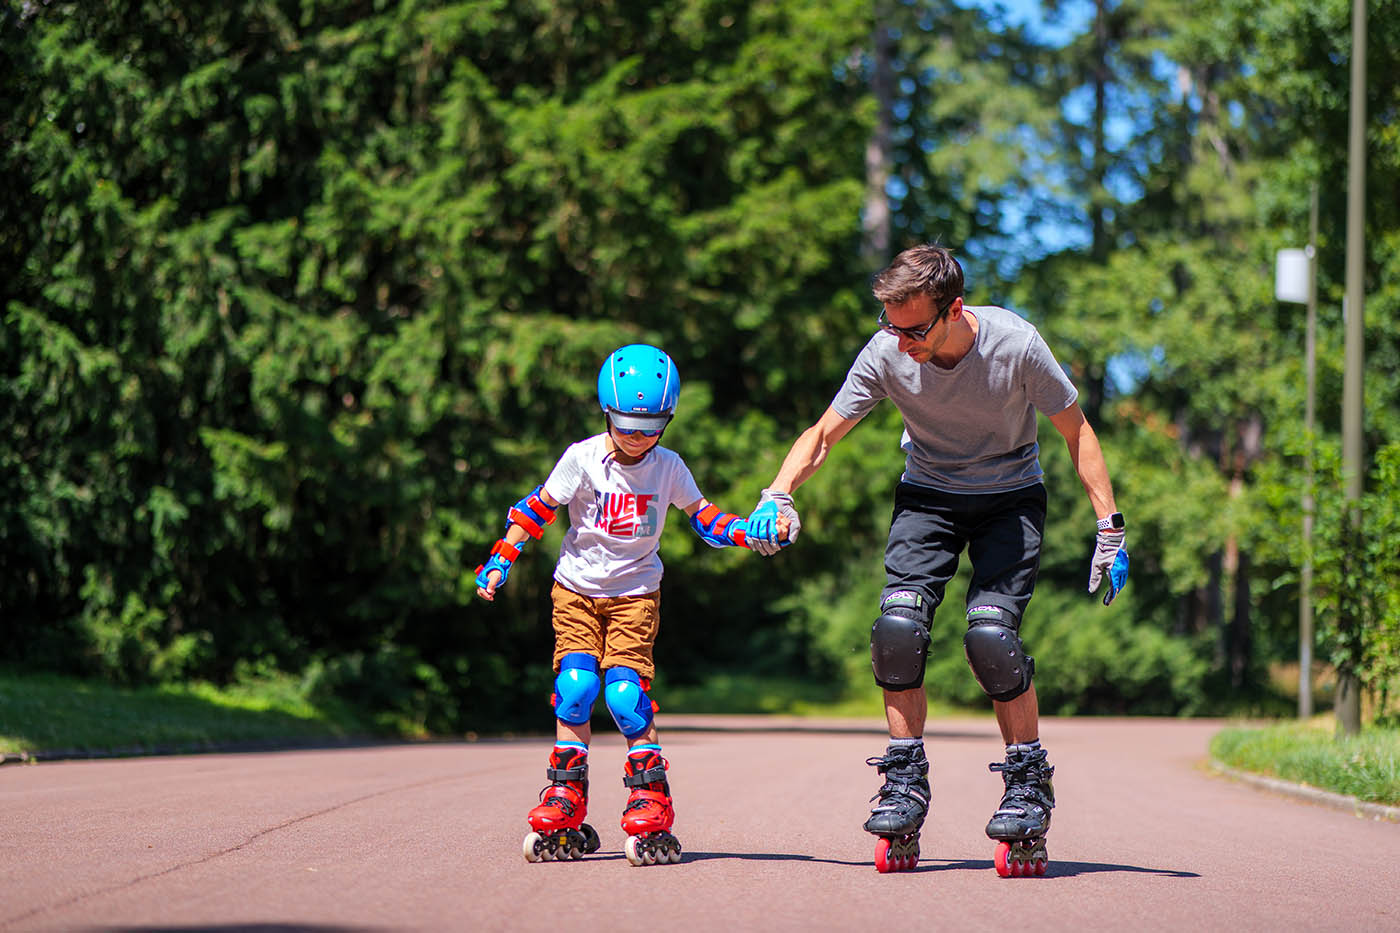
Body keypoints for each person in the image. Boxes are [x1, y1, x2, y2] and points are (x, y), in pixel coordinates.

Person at [745, 244, 1128, 876]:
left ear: (954, 309)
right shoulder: (886, 352)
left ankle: (1028, 779)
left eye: (914, 330)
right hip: (928, 496)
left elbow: (1076, 430)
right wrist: (778, 491)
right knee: (898, 630)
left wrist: (1108, 526)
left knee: (991, 638)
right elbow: (823, 433)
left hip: (1011, 498)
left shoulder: (1016, 344)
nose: (901, 343)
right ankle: (904, 777)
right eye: (890, 328)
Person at [475, 343, 787, 867]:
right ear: (607, 414)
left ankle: (652, 799)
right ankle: (565, 795)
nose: (639, 439)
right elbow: (538, 508)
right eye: (628, 426)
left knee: (623, 694)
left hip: (636, 594)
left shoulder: (668, 466)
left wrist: (746, 532)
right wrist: (501, 556)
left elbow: (705, 518)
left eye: (652, 427)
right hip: (575, 590)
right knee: (575, 686)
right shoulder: (581, 457)